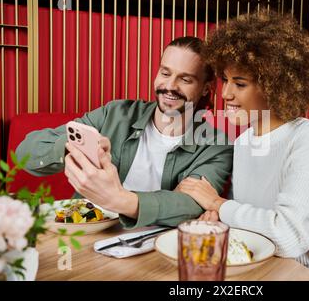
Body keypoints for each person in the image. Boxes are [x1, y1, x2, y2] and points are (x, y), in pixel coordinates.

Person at [176, 11, 309, 281]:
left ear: (275, 85)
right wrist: (218, 216)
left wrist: (217, 202)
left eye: (240, 83)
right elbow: (252, 217)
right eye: (225, 80)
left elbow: (289, 238)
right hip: (277, 267)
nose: (225, 94)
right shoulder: (243, 143)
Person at [16, 36, 233, 228]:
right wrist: (78, 147)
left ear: (206, 88)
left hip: (154, 250)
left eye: (185, 79)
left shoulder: (216, 145)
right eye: (165, 73)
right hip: (85, 234)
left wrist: (118, 199)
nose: (170, 86)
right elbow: (24, 154)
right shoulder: (115, 113)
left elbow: (191, 204)